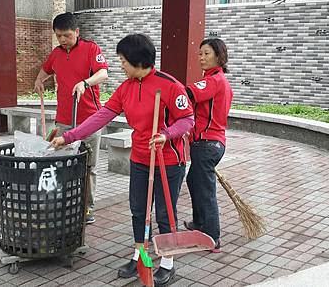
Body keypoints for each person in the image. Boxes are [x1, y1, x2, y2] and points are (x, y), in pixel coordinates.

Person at [51, 34, 194, 286]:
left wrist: (165, 134)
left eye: (123, 60)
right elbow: (102, 115)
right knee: (139, 210)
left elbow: (187, 120)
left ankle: (168, 263)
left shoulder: (170, 86)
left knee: (163, 213)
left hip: (168, 160)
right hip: (140, 158)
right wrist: (70, 136)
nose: (121, 65)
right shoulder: (126, 87)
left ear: (138, 61)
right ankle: (140, 255)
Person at [34, 12, 108, 224]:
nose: (63, 40)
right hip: (64, 120)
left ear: (77, 32)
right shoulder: (56, 53)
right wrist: (39, 80)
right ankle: (66, 204)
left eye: (67, 35)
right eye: (59, 36)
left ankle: (86, 208)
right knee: (61, 164)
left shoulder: (91, 48)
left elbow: (103, 74)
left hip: (90, 119)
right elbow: (45, 70)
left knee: (88, 166)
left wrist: (85, 83)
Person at [183, 38, 233, 253]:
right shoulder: (216, 79)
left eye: (206, 53)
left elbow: (188, 93)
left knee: (205, 191)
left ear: (219, 57)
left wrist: (163, 86)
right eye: (200, 54)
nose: (201, 58)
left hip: (207, 144)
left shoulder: (214, 80)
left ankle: (212, 236)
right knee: (194, 180)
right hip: (211, 143)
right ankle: (200, 223)